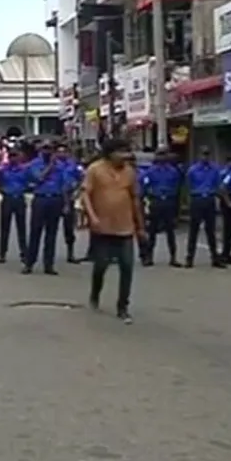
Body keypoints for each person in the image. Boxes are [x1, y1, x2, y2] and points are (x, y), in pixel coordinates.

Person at [83, 138, 144, 324]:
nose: (126, 156)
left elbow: (135, 199)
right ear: (111, 153)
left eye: (127, 152)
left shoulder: (130, 172)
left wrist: (140, 226)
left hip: (125, 227)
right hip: (103, 227)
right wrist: (92, 217)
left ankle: (123, 306)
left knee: (127, 267)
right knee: (101, 265)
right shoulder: (95, 169)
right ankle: (95, 294)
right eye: (121, 152)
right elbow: (85, 194)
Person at [25, 143, 66, 275]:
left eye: (50, 149)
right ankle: (29, 263)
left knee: (51, 234)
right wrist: (50, 166)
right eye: (45, 148)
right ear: (40, 150)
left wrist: (66, 204)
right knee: (35, 232)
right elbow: (39, 178)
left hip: (55, 199)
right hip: (41, 198)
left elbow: (63, 184)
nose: (48, 151)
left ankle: (49, 265)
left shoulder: (60, 165)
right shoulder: (35, 163)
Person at [141, 147, 183, 267]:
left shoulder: (173, 171)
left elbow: (177, 188)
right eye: (159, 154)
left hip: (169, 201)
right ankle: (149, 257)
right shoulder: (150, 171)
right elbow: (145, 187)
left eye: (164, 154)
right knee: (152, 231)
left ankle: (173, 257)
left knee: (170, 232)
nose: (161, 157)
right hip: (156, 201)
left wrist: (176, 206)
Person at [184, 147, 222, 268]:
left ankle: (215, 258)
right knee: (193, 230)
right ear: (199, 155)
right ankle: (189, 258)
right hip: (197, 199)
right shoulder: (193, 170)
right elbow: (188, 186)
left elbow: (218, 185)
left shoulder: (215, 169)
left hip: (209, 199)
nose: (205, 157)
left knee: (211, 231)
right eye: (203, 154)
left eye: (207, 154)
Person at [0, 146, 30, 263]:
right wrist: (3, 191)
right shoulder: (3, 169)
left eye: (16, 156)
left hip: (19, 198)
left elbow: (28, 183)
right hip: (8, 198)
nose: (13, 158)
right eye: (12, 156)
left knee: (22, 228)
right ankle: (2, 253)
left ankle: (24, 253)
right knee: (5, 227)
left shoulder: (23, 170)